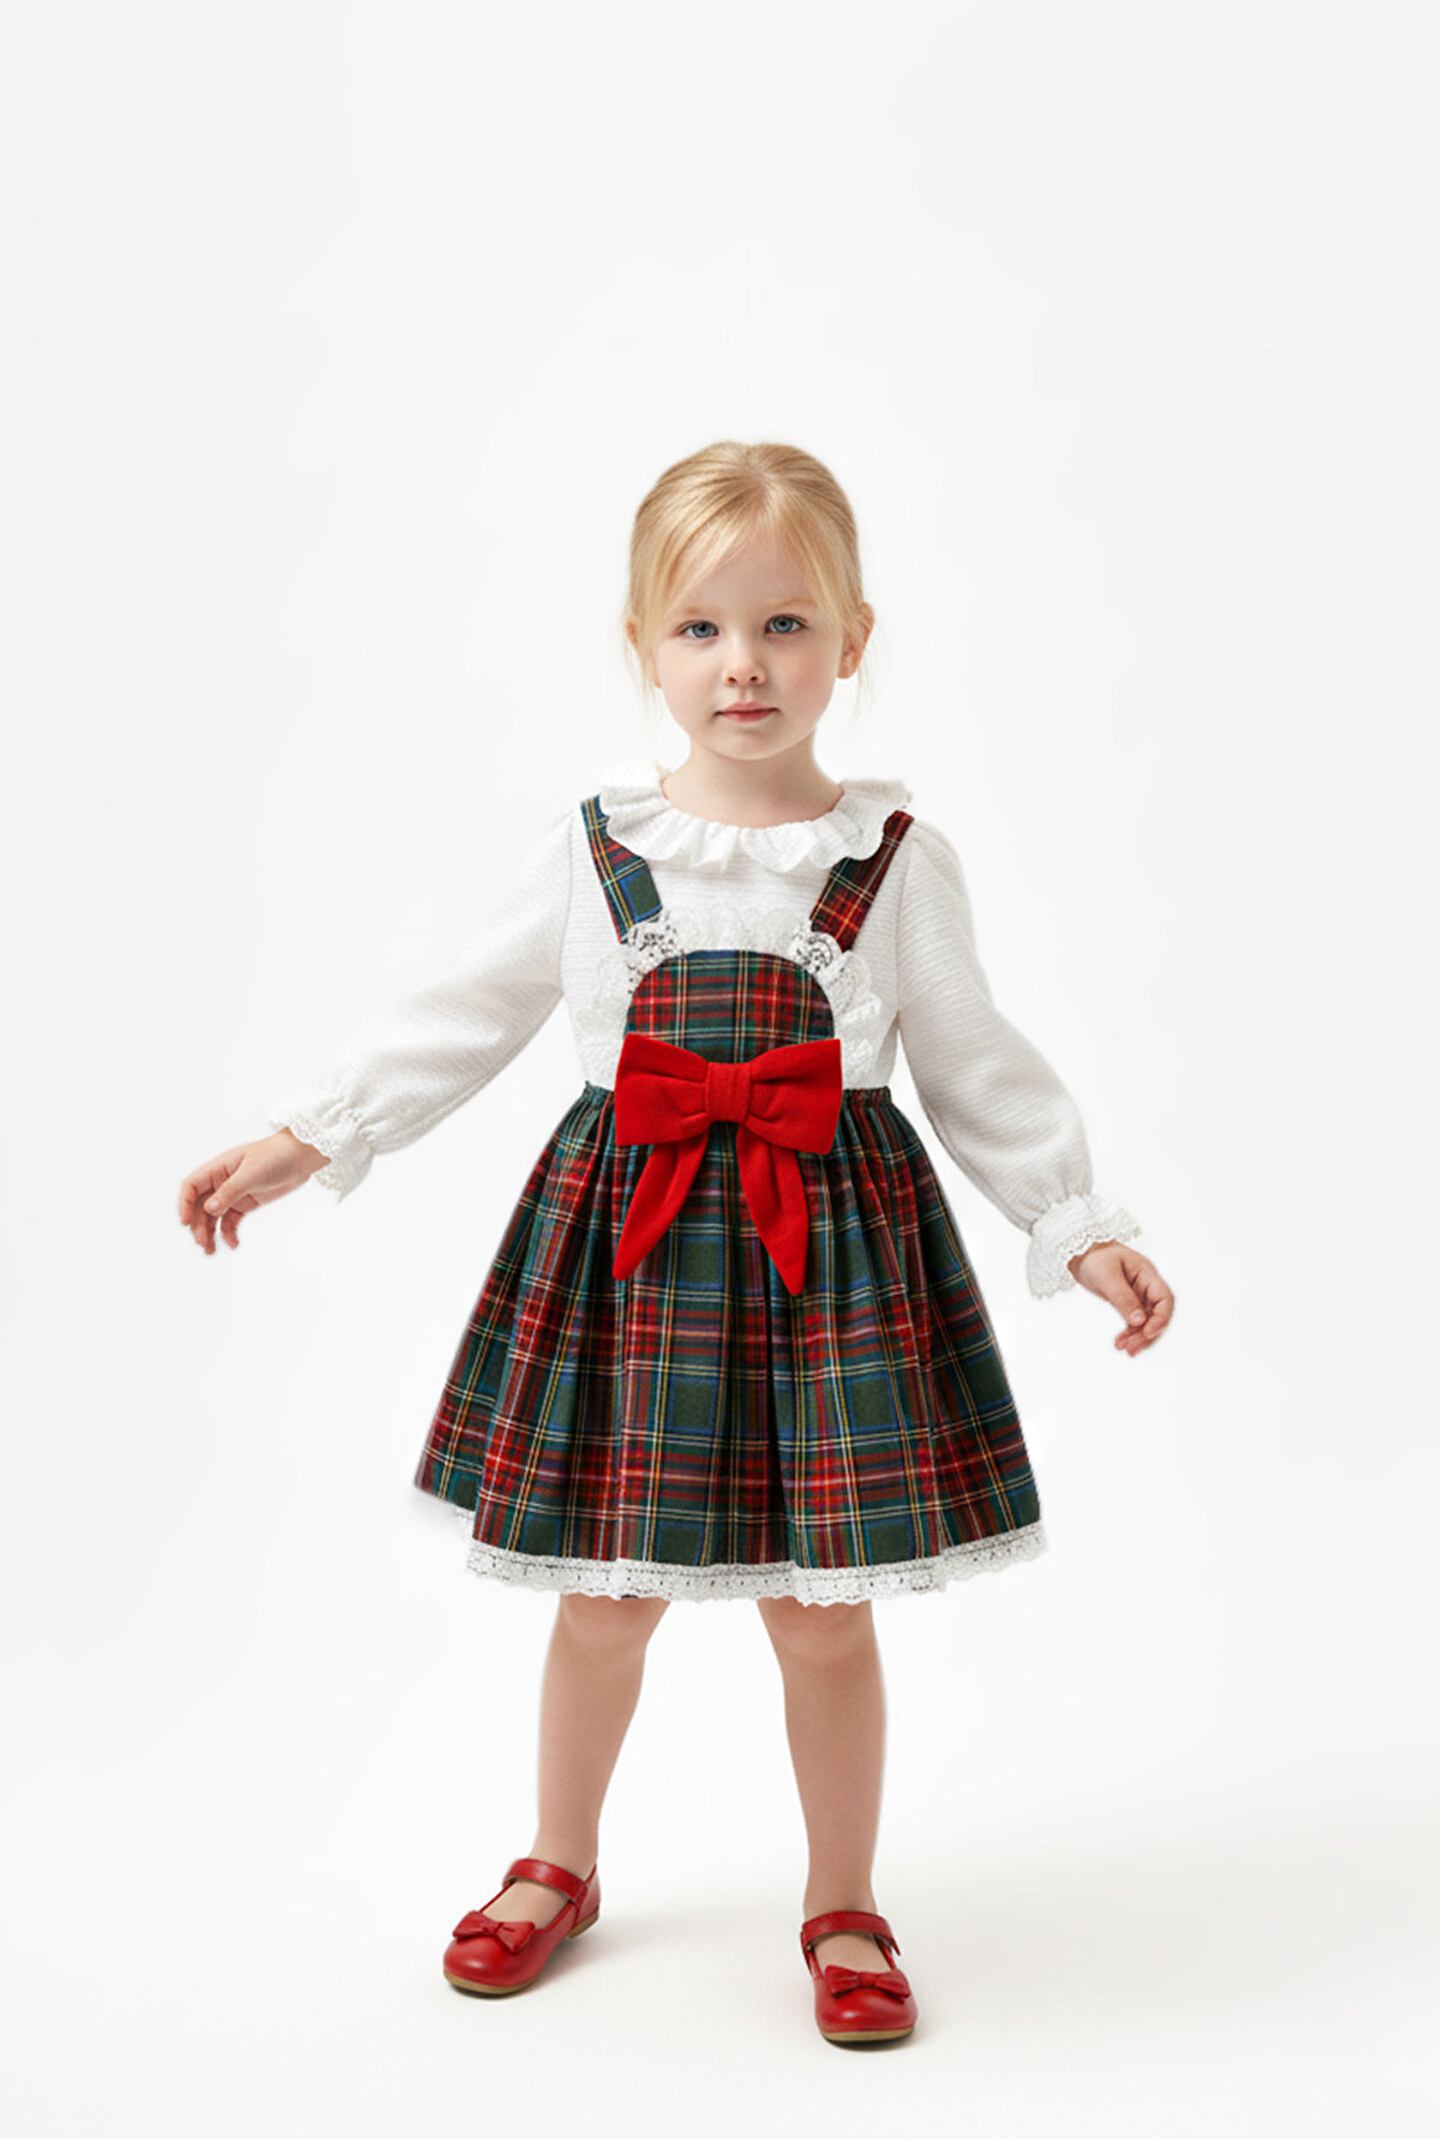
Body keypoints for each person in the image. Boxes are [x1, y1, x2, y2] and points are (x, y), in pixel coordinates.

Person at [178, 439, 1174, 2047]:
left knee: (823, 1611)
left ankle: (842, 1898)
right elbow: (470, 1010)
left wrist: (1076, 1220)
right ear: (643, 646)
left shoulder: (892, 861)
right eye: (702, 629)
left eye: (786, 626)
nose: (744, 666)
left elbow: (978, 1061)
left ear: (853, 641)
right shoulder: (597, 846)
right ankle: (558, 1861)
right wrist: (318, 1133)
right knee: (605, 1597)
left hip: (829, 1264)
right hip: (632, 1261)